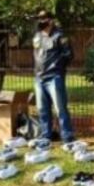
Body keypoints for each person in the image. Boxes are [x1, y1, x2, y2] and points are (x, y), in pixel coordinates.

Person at [32, 10, 75, 144]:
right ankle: (46, 135)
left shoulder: (60, 36)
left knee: (60, 107)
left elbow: (68, 55)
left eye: (43, 18)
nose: (40, 21)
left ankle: (67, 136)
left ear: (51, 20)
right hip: (39, 77)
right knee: (42, 108)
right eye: (39, 18)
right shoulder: (37, 36)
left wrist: (57, 67)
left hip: (54, 77)